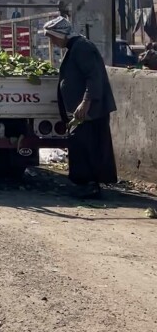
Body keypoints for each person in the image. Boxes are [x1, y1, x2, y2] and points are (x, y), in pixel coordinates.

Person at [42, 16, 117, 199]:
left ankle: (89, 186)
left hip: (90, 111)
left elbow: (93, 77)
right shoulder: (74, 48)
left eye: (52, 37)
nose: (52, 41)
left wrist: (85, 102)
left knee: (85, 146)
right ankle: (86, 184)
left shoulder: (82, 47)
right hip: (84, 111)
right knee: (83, 145)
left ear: (61, 34)